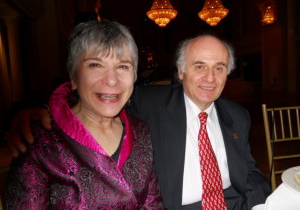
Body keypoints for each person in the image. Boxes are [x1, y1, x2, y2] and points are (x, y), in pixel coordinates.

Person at [7, 34, 272, 209]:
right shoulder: (148, 103)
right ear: (180, 71)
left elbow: (249, 172)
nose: (210, 78)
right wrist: (44, 109)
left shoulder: (238, 115)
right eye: (199, 66)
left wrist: (264, 204)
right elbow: (98, 95)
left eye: (219, 68)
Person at [4, 20, 164, 209]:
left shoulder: (140, 130)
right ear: (74, 77)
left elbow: (152, 204)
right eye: (95, 65)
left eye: (123, 66)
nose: (112, 81)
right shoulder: (39, 143)